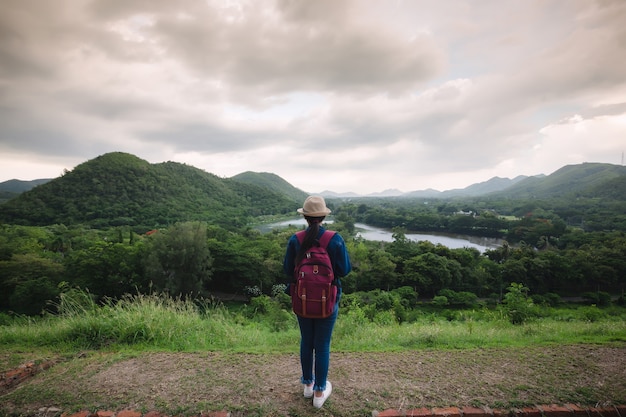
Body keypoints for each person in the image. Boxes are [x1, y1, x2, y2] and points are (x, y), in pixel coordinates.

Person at [283, 195, 352, 408]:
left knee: (307, 341)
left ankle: (307, 386)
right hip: (328, 299)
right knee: (322, 345)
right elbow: (344, 270)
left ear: (304, 216)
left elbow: (287, 270)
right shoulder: (335, 239)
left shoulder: (296, 239)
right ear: (323, 216)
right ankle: (320, 393)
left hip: (302, 299)